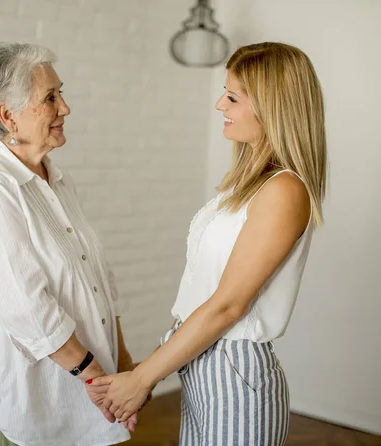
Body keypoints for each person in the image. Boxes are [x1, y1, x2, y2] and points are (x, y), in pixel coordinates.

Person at [89, 42, 327, 446]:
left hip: (234, 371)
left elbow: (228, 306)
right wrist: (146, 371)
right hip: (201, 362)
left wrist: (145, 377)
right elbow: (201, 295)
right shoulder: (244, 185)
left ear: (271, 107)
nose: (220, 105)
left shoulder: (283, 190)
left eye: (232, 97)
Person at [0, 42, 137, 446]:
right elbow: (29, 310)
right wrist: (102, 380)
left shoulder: (57, 181)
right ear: (7, 116)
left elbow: (99, 280)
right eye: (50, 97)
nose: (64, 108)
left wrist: (124, 366)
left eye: (60, 93)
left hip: (79, 400)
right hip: (22, 414)